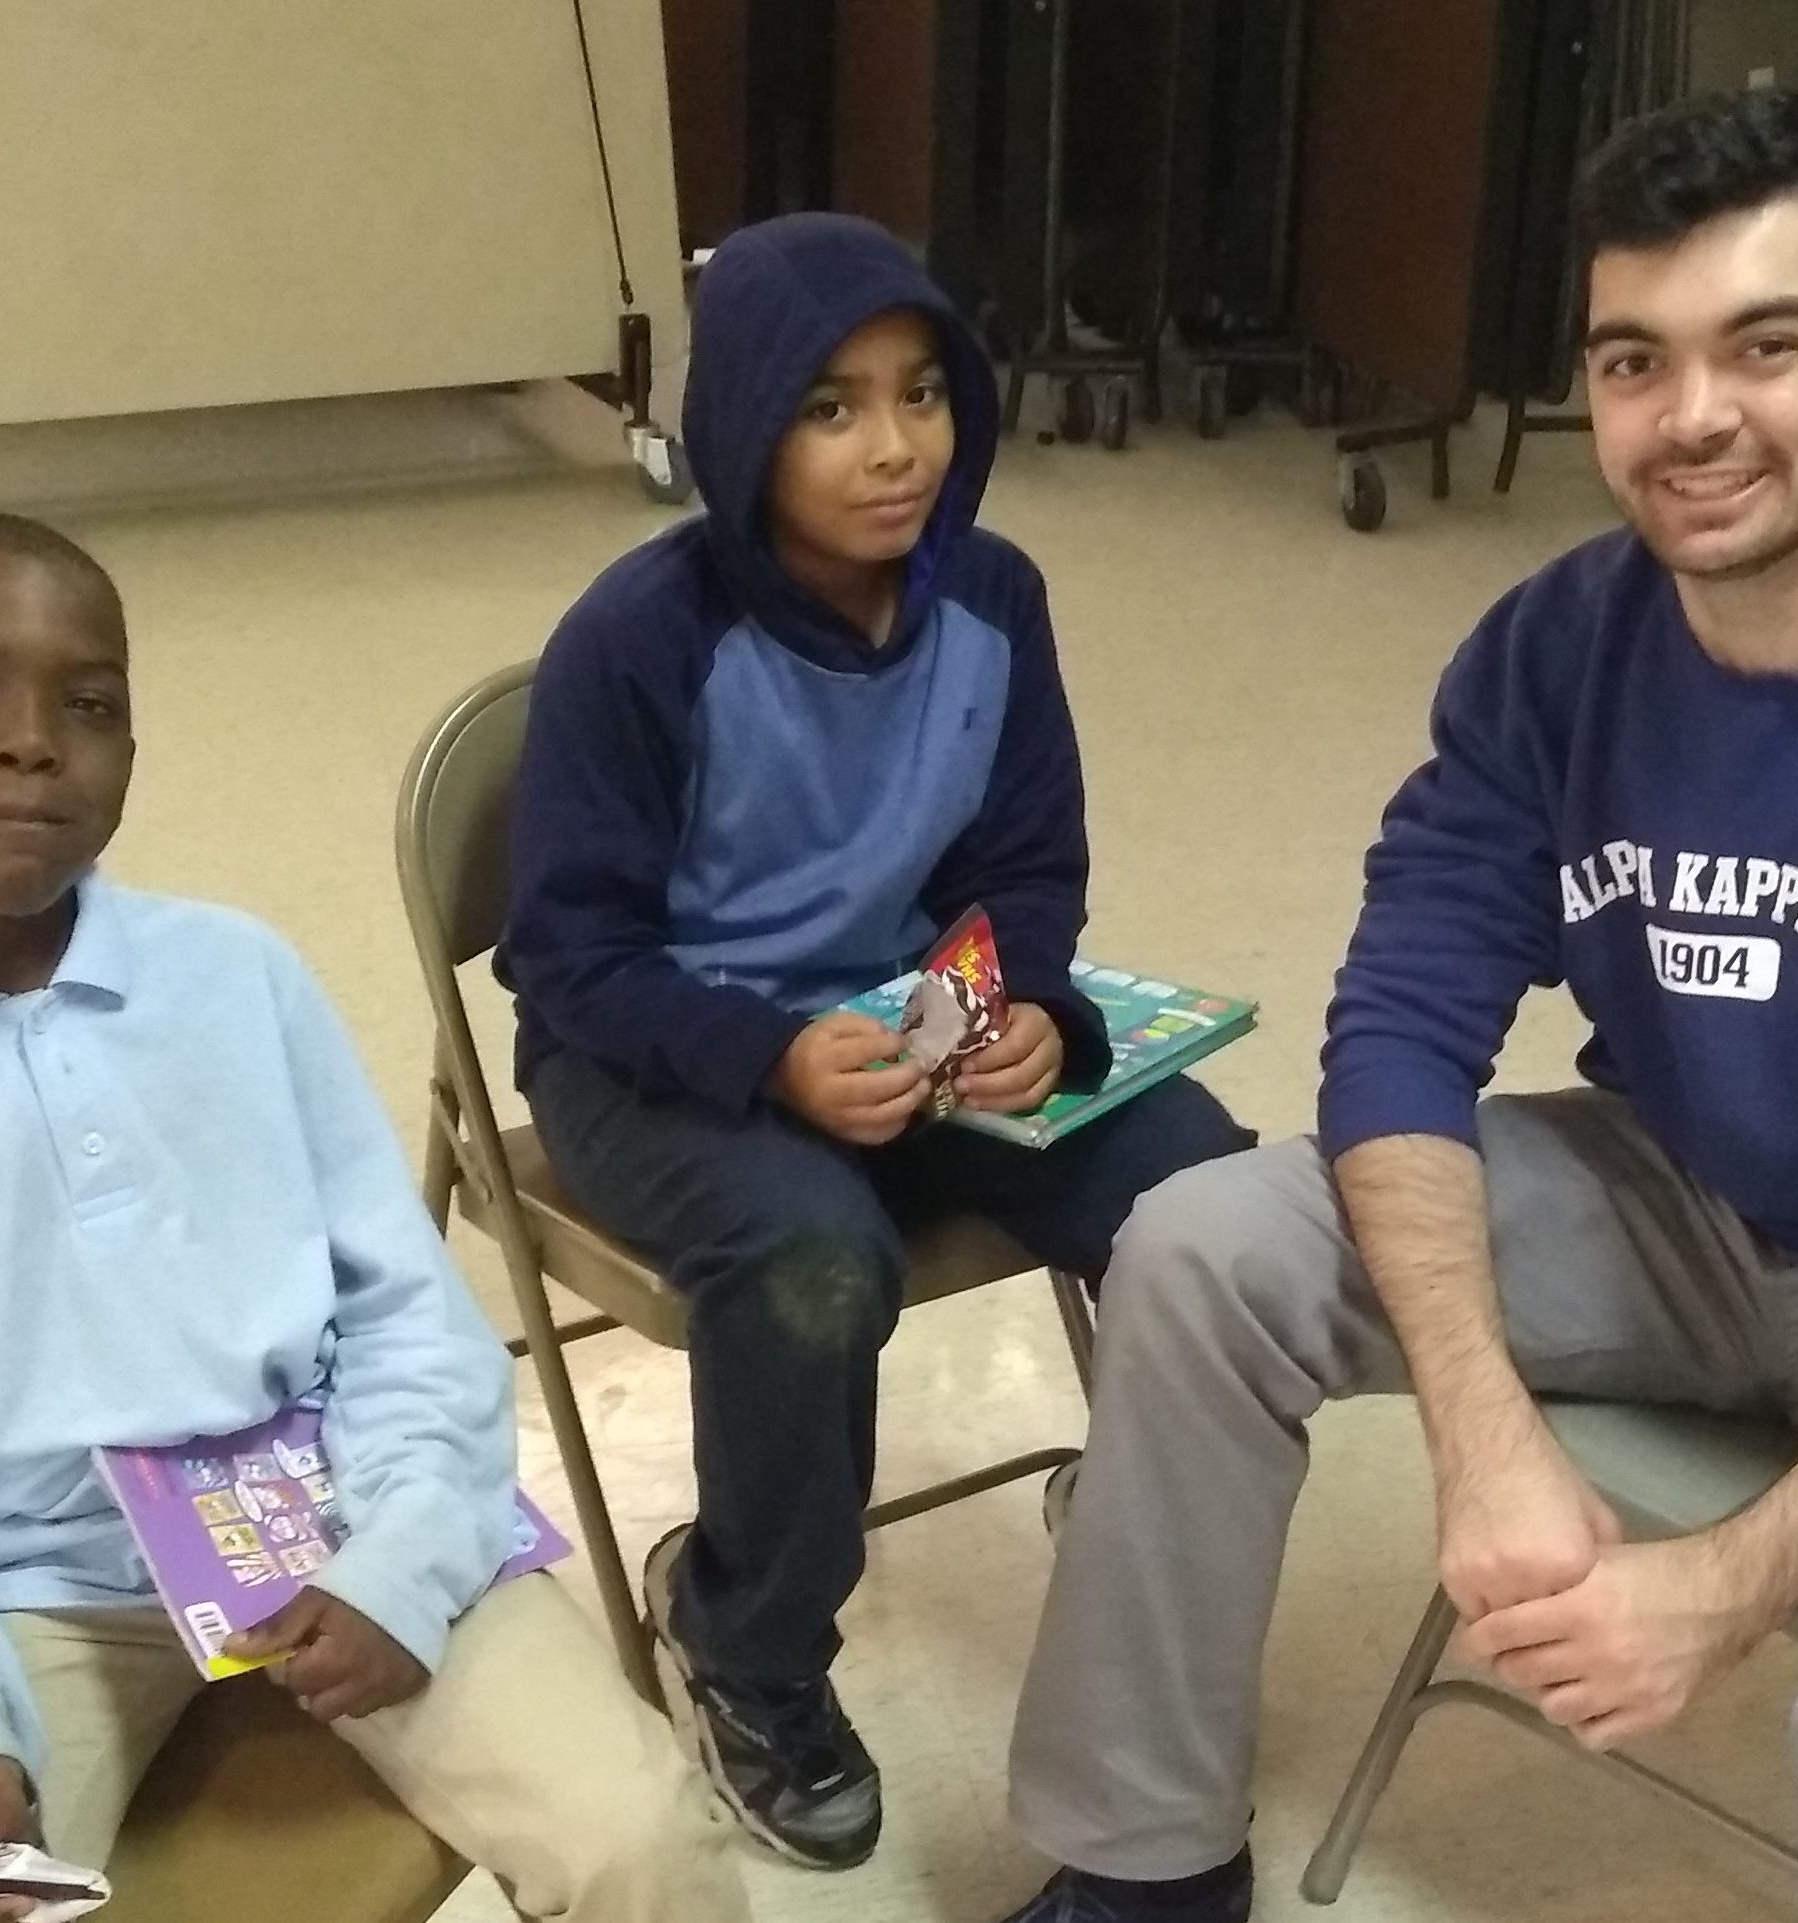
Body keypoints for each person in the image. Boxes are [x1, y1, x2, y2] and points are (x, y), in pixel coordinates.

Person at [993, 91, 1798, 1923]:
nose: (1690, 417)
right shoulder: (1558, 646)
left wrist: (1728, 1582)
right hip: (1688, 1200)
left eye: (1764, 346)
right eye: (1631, 360)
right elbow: (1402, 1026)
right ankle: (1141, 1869)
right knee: (1202, 1244)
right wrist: (1481, 1434)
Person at [0, 514, 749, 1923]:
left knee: (642, 1844)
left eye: (88, 704)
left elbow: (403, 1314)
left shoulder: (241, 977)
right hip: (25, 1597)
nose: (30, 742)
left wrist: (403, 1562)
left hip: (335, 1504)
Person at [498, 212, 1255, 1871]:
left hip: (918, 1023)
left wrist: (1028, 1007)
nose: (895, 445)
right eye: (830, 407)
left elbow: (1024, 865)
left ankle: (1139, 1529)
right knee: (811, 1262)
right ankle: (747, 1642)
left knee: (1212, 1196)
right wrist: (767, 1060)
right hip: (658, 1054)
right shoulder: (640, 640)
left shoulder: (992, 597)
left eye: (922, 393)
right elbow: (568, 955)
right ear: (740, 427)